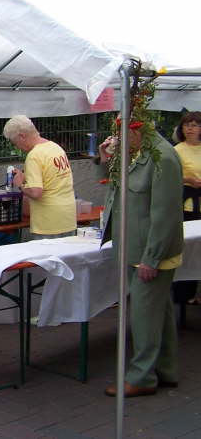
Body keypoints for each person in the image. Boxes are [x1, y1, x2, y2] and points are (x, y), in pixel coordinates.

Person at [98, 119, 184, 397]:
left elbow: (165, 215)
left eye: (123, 134)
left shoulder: (164, 158)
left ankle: (142, 377)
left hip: (148, 253)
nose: (119, 139)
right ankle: (167, 369)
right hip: (133, 248)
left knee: (143, 316)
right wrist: (105, 159)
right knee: (160, 312)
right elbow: (117, 190)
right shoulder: (136, 153)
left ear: (138, 130)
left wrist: (152, 258)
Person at [3, 115, 76, 239]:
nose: (17, 148)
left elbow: (36, 192)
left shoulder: (34, 156)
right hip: (68, 216)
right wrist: (25, 176)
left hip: (48, 221)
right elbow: (50, 177)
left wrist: (20, 184)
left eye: (15, 143)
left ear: (22, 136)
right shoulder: (55, 147)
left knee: (47, 258)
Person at [171, 111, 201, 306]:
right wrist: (188, 179)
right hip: (186, 205)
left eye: (195, 124)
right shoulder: (177, 150)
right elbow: (170, 176)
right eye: (187, 124)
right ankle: (182, 295)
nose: (190, 128)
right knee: (186, 249)